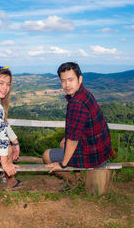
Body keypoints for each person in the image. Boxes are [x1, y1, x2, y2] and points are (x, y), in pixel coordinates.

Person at [43, 62, 114, 190]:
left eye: (71, 79)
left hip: (94, 156)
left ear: (80, 79)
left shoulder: (77, 103)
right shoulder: (84, 94)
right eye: (63, 81)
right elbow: (75, 133)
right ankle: (79, 177)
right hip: (101, 150)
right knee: (62, 143)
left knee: (47, 155)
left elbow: (73, 139)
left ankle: (74, 183)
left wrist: (63, 164)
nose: (67, 84)